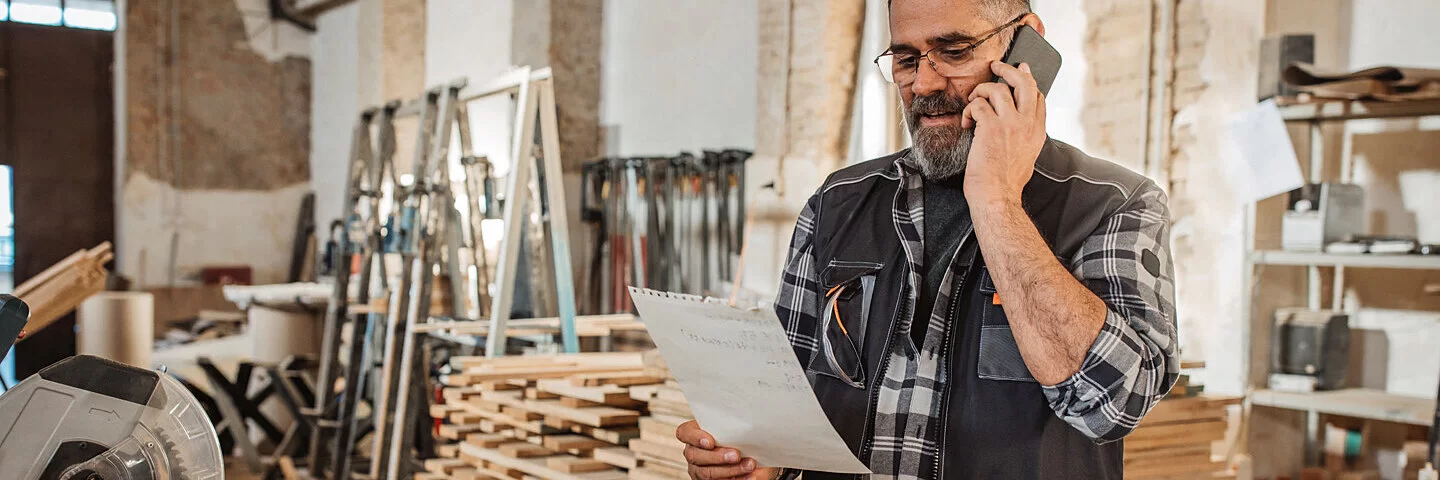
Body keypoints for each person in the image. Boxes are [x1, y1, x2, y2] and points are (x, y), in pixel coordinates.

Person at [676, 0, 1180, 478]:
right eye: (905, 58)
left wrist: (997, 201)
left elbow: (1111, 405)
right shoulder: (837, 203)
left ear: (1025, 46)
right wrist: (760, 461)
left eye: (954, 51)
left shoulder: (1114, 205)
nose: (924, 82)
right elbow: (783, 410)